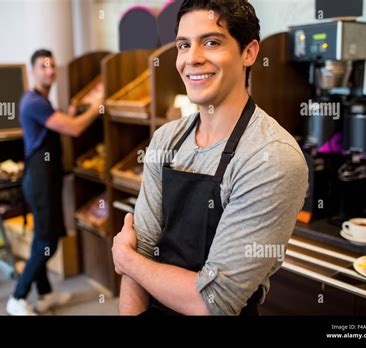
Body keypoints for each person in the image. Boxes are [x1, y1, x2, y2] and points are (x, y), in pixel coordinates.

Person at [112, 0, 308, 315]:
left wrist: (128, 262)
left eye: (212, 42)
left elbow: (214, 301)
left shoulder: (271, 157)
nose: (192, 58)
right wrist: (135, 264)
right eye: (183, 45)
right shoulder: (166, 139)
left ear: (249, 52)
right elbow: (144, 247)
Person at [6, 49, 102, 315]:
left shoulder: (40, 99)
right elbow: (72, 128)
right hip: (40, 179)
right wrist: (97, 106)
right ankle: (17, 297)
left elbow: (59, 122)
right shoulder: (34, 102)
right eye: (43, 67)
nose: (50, 71)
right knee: (48, 242)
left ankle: (45, 295)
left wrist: (69, 112)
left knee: (42, 238)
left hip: (45, 178)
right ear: (33, 71)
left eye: (52, 66)